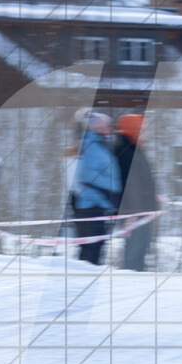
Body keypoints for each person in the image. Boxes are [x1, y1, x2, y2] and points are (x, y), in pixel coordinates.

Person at [72, 112, 121, 265]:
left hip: (98, 202)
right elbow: (88, 175)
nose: (109, 129)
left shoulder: (99, 144)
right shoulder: (91, 146)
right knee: (91, 248)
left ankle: (85, 276)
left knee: (95, 246)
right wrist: (113, 188)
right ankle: (84, 279)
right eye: (106, 126)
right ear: (97, 128)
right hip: (91, 203)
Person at [114, 114, 158, 271]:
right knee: (135, 251)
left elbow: (143, 180)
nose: (144, 132)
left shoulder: (135, 149)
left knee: (141, 249)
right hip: (135, 211)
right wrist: (134, 211)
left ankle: (137, 280)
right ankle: (131, 282)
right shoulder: (125, 151)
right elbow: (130, 184)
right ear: (133, 129)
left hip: (142, 210)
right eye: (142, 129)